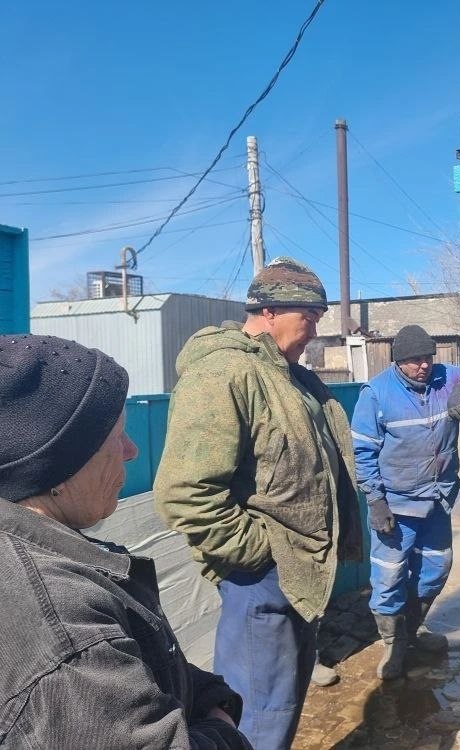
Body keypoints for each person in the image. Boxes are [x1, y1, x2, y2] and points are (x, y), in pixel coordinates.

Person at [0, 335, 251, 750]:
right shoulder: (68, 638)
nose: (132, 451)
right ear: (59, 463)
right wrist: (223, 729)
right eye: (117, 436)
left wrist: (203, 694)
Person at [154, 256, 363, 750]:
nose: (314, 329)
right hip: (261, 581)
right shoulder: (225, 373)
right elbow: (186, 493)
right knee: (256, 719)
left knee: (282, 707)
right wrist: (261, 553)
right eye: (308, 317)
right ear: (268, 311)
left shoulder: (289, 375)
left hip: (298, 574)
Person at [351, 325, 460, 680]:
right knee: (389, 576)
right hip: (397, 505)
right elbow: (363, 451)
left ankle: (414, 629)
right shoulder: (376, 393)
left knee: (435, 568)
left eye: (427, 358)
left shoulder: (444, 377)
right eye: (414, 360)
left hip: (438, 499)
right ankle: (393, 644)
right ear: (398, 361)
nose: (423, 366)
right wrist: (375, 500)